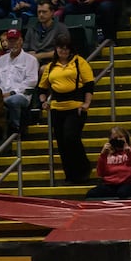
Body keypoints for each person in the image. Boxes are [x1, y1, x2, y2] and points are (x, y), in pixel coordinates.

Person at [37, 34, 93, 184]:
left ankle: (83, 169)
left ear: (70, 49)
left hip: (76, 107)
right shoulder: (50, 67)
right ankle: (70, 175)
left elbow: (89, 85)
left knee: (71, 138)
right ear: (56, 49)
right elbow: (42, 88)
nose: (63, 51)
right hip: (57, 108)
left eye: (66, 48)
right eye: (61, 48)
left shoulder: (79, 62)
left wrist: (86, 103)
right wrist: (43, 102)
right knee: (61, 143)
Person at [0, 28, 38, 133]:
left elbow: (31, 82)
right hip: (0, 96)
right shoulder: (0, 61)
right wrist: (0, 94)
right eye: (10, 41)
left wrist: (11, 93)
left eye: (15, 40)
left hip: (21, 96)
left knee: (13, 100)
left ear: (21, 41)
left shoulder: (31, 60)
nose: (13, 44)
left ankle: (16, 129)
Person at [86, 126, 131, 198]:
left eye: (121, 137)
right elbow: (100, 173)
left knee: (123, 193)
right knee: (91, 194)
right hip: (110, 184)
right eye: (115, 138)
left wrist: (130, 154)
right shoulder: (107, 154)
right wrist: (103, 155)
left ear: (126, 138)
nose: (118, 140)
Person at [25, 0, 68, 64]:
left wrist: (39, 55)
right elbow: (24, 49)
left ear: (52, 12)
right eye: (39, 12)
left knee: (43, 69)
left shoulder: (61, 28)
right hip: (33, 62)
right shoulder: (31, 28)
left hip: (53, 61)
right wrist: (27, 54)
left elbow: (63, 51)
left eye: (44, 12)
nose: (41, 15)